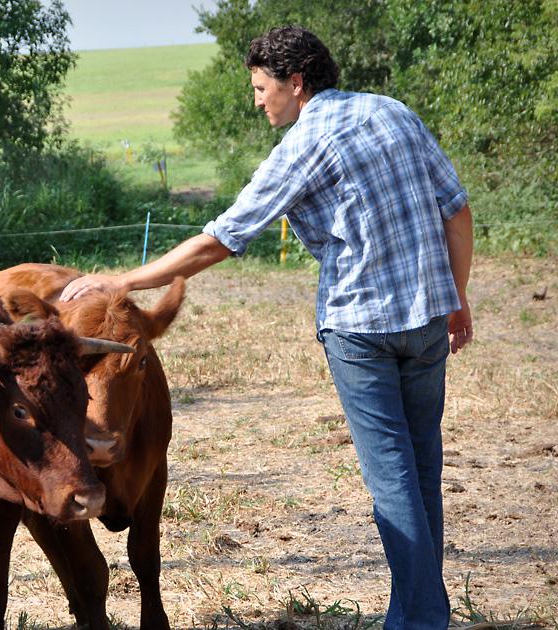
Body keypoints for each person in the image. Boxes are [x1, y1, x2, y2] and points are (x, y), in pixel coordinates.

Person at [60, 25, 473, 630]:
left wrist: (121, 282)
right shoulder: (394, 112)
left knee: (393, 480)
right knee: (421, 467)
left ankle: (420, 620)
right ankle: (420, 610)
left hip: (360, 329)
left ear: (296, 84)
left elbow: (220, 240)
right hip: (430, 317)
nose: (257, 100)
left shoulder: (304, 144)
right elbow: (457, 210)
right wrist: (457, 296)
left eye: (261, 87)